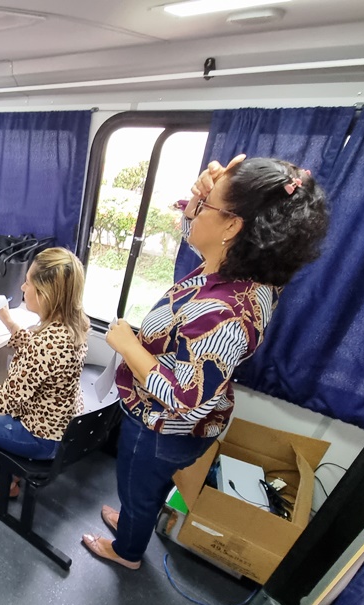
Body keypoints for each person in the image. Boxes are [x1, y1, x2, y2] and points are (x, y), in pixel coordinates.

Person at [82, 155, 329, 570]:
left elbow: (183, 396)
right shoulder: (245, 271)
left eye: (207, 205)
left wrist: (128, 345)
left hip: (162, 426)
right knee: (151, 487)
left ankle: (126, 551)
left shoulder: (224, 311)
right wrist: (204, 199)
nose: (193, 210)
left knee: (137, 487)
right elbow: (199, 234)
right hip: (191, 427)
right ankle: (133, 519)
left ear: (233, 226)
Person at [0, 248, 89, 498]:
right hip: (58, 424)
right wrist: (8, 321)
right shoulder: (74, 324)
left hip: (42, 437)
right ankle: (2, 467)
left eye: (27, 282)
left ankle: (1, 482)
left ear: (46, 293)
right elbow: (42, 359)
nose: (23, 288)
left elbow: (5, 403)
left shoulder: (43, 344)